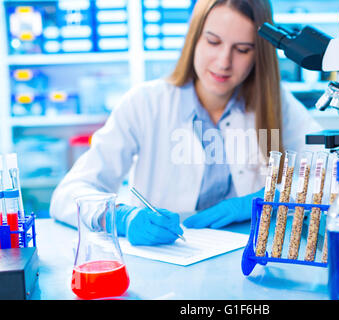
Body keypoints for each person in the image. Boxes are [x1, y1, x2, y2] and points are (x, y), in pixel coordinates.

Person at [50, 0, 322, 246]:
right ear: (194, 39)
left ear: (258, 55)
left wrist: (269, 200)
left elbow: (332, 174)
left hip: (250, 262)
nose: (223, 62)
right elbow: (69, 194)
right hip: (166, 263)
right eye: (213, 42)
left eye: (242, 49)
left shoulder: (276, 103)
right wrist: (122, 217)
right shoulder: (145, 103)